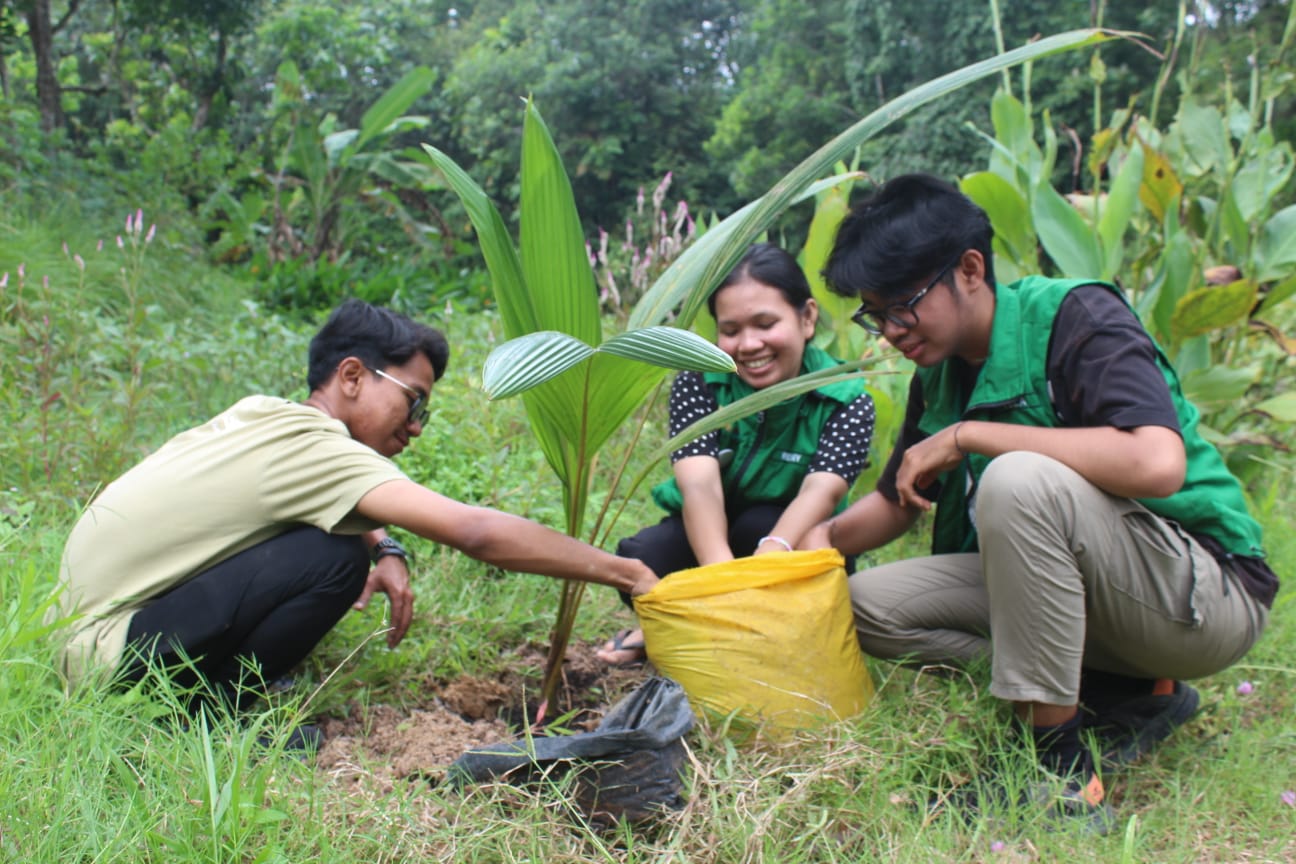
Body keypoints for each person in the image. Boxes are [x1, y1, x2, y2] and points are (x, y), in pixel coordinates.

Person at [803, 173, 1278, 830]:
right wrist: (804, 547)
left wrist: (971, 435)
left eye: (901, 307)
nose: (889, 331)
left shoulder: (1076, 317)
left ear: (970, 269)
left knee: (1017, 478)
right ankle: (1126, 695)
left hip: (1203, 594)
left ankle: (1055, 769)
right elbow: (898, 499)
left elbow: (1156, 462)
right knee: (864, 608)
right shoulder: (938, 373)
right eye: (875, 314)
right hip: (1101, 602)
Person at [55, 299, 660, 721]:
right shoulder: (318, 450)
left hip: (79, 639)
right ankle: (209, 714)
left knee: (345, 544)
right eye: (413, 402)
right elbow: (474, 531)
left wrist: (387, 547)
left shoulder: (264, 414)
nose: (416, 427)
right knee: (334, 559)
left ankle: (202, 691)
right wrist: (626, 572)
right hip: (113, 663)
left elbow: (330, 497)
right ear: (351, 376)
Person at [597, 243, 875, 665]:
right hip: (713, 532)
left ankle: (714, 635)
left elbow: (821, 493)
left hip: (795, 541)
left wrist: (759, 568)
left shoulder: (846, 397)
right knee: (646, 555)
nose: (748, 345)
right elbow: (700, 487)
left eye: (765, 324)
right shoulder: (700, 381)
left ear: (807, 318)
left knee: (757, 525)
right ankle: (686, 632)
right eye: (730, 331)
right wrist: (726, 583)